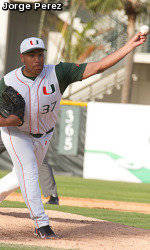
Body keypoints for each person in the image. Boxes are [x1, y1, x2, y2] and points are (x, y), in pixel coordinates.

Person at [0, 32, 147, 239]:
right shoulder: (8, 81)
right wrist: (7, 121)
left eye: (40, 54)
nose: (37, 59)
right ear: (22, 57)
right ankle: (41, 223)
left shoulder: (58, 72)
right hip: (16, 133)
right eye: (31, 55)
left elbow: (99, 66)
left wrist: (129, 47)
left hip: (43, 136)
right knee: (30, 171)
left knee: (19, 178)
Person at [0, 135, 59, 205]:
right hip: (11, 131)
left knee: (36, 162)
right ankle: (52, 195)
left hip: (27, 135)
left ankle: (51, 195)